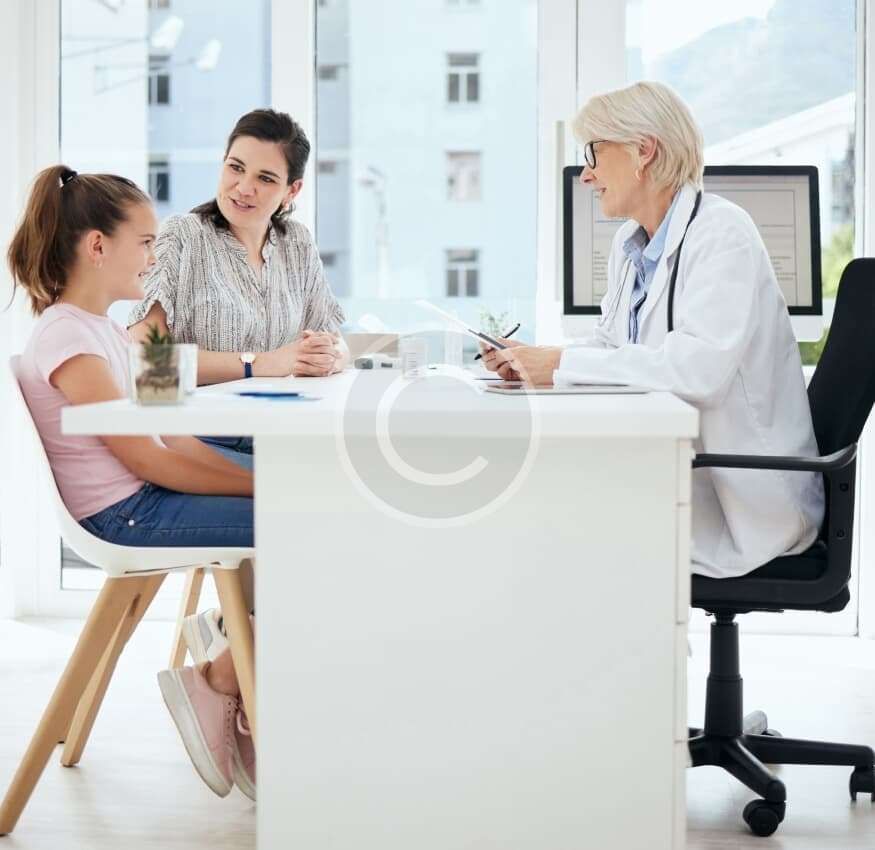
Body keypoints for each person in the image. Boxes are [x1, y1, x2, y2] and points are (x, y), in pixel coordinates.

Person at [481, 81, 824, 580]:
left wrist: (560, 365)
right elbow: (611, 344)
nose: (586, 174)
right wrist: (536, 360)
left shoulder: (722, 233)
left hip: (746, 504)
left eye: (593, 153)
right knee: (542, 512)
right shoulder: (632, 243)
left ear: (643, 151)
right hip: (679, 473)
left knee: (554, 534)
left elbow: (698, 370)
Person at [9, 165, 257, 801]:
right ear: (98, 246)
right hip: (126, 514)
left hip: (145, 495)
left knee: (297, 502)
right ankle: (222, 676)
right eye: (146, 243)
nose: (154, 257)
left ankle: (236, 652)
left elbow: (174, 433)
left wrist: (259, 479)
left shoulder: (114, 330)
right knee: (305, 523)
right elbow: (149, 459)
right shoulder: (68, 335)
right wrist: (261, 490)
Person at [128, 108, 347, 454]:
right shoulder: (181, 236)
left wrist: (330, 357)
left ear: (292, 190)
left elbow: (335, 342)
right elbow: (149, 368)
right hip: (202, 441)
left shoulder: (297, 243)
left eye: (266, 178)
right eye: (236, 167)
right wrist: (262, 363)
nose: (244, 188)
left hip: (283, 435)